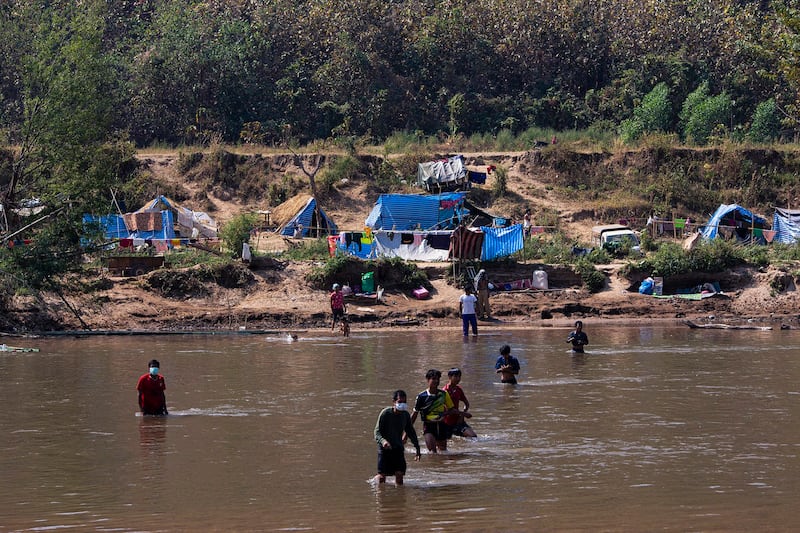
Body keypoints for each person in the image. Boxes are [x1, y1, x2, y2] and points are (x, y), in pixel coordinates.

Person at [374, 390, 421, 485]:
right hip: (384, 448)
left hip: (398, 447)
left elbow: (411, 432)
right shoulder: (385, 413)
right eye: (400, 402)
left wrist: (417, 448)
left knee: (399, 476)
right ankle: (376, 483)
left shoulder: (405, 415)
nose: (402, 404)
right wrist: (383, 442)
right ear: (394, 402)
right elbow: (377, 432)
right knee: (382, 478)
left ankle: (399, 496)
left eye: (404, 402)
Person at [411, 369, 457, 453]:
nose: (436, 381)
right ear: (428, 380)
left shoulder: (443, 394)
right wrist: (406, 432)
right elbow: (415, 414)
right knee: (432, 452)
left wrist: (445, 414)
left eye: (438, 379)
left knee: (443, 451)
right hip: (428, 426)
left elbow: (451, 410)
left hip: (441, 425)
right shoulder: (421, 396)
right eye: (434, 379)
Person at [443, 368, 477, 439]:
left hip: (458, 421)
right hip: (447, 423)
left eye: (459, 376)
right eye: (456, 376)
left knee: (473, 436)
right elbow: (449, 410)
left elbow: (466, 403)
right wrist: (464, 414)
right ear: (449, 377)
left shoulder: (458, 389)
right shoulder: (444, 391)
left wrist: (462, 416)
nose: (458, 379)